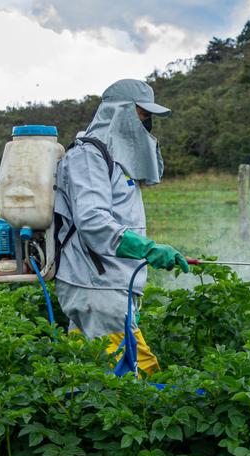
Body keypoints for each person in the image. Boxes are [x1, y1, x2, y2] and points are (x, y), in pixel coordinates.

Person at [54, 78, 188, 377]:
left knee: (88, 375)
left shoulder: (116, 160)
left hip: (110, 284)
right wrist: (147, 248)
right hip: (95, 284)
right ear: (119, 112)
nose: (146, 124)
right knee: (139, 376)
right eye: (142, 116)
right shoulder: (88, 156)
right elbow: (93, 221)